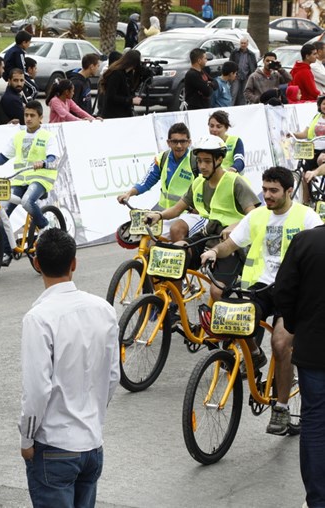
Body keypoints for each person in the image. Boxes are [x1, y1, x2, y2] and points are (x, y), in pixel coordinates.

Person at [200, 167, 320, 429]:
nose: (267, 195)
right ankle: (254, 354)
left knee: (280, 343)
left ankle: (282, 407)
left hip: (292, 292)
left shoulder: (307, 217)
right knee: (234, 322)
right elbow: (230, 244)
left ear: (289, 191)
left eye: (274, 190)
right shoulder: (256, 216)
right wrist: (214, 253)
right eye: (264, 189)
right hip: (260, 287)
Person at [20, 228, 119, 508]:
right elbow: (113, 377)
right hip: (91, 444)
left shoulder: (38, 318)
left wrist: (27, 439)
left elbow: (36, 389)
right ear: (74, 263)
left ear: (37, 263)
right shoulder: (103, 309)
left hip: (54, 447)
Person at [145, 135, 260, 297]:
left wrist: (235, 226)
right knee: (172, 256)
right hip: (208, 235)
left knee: (216, 291)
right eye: (199, 161)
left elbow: (255, 216)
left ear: (219, 159)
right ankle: (175, 307)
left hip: (233, 243)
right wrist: (158, 215)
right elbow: (177, 210)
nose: (202, 166)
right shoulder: (199, 182)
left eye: (206, 161)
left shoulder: (235, 182)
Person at [275, 222, 325, 508]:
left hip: (314, 348)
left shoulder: (306, 242)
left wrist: (296, 325)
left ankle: (318, 500)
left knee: (316, 423)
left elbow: (284, 290)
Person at [0, 100, 58, 266]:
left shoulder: (47, 137)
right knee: (3, 212)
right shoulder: (18, 136)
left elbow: (52, 157)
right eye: (26, 115)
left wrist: (43, 162)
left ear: (40, 117)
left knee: (28, 201)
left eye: (32, 115)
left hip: (41, 178)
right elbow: (3, 157)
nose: (28, 118)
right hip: (20, 179)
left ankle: (44, 227)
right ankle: (7, 253)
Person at [117, 123, 204, 241]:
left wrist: (199, 207)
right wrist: (129, 193)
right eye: (175, 141)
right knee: (149, 243)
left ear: (189, 142)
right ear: (168, 142)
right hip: (165, 212)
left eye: (183, 141)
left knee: (176, 234)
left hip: (188, 214)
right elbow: (147, 181)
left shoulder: (196, 160)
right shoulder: (161, 158)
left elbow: (205, 187)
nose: (179, 145)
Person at [290, 95, 325, 203]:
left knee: (321, 159)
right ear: (320, 105)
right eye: (324, 104)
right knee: (304, 175)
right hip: (313, 149)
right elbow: (305, 134)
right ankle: (305, 203)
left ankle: (315, 173)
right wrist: (292, 134)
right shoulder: (316, 117)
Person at [98, 49, 142, 118]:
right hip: (113, 115)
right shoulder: (116, 74)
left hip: (122, 114)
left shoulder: (126, 74)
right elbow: (111, 97)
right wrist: (130, 100)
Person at [229, 37, 257, 106]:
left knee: (244, 94)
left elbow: (254, 66)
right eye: (242, 43)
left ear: (247, 44)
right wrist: (232, 74)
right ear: (240, 44)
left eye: (244, 43)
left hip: (246, 77)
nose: (243, 45)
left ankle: (241, 107)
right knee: (234, 93)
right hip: (236, 76)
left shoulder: (251, 54)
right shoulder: (235, 52)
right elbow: (230, 63)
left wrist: (251, 76)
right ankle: (230, 107)